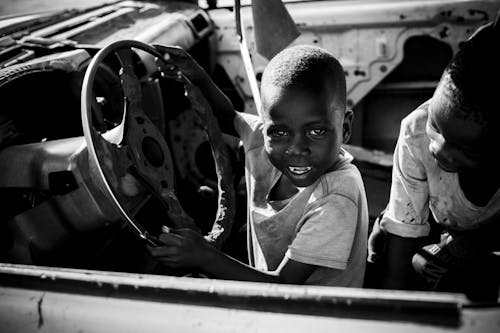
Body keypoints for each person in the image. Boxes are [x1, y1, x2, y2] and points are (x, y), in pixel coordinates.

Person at [150, 44, 369, 287]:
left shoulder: (337, 198)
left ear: (345, 128)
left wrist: (204, 257)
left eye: (317, 131)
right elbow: (226, 118)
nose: (296, 149)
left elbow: (284, 285)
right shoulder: (263, 141)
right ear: (266, 128)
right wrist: (196, 75)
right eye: (280, 131)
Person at [367, 22, 500, 300]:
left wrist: (470, 244)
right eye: (436, 127)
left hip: (487, 238)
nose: (439, 149)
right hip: (433, 224)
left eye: (466, 150)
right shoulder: (415, 132)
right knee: (382, 242)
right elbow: (404, 229)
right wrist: (395, 305)